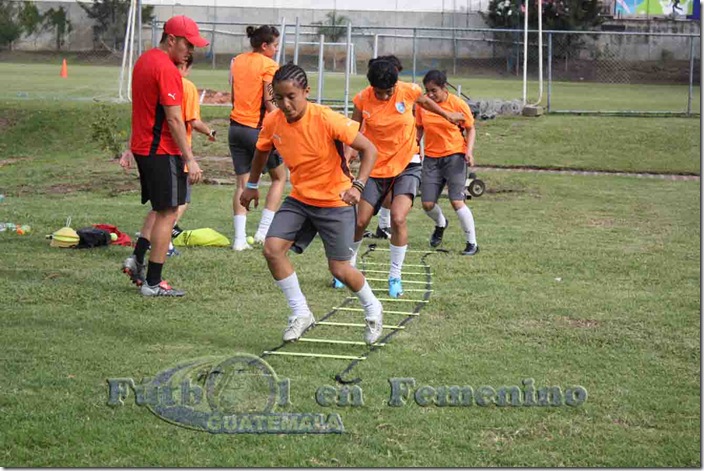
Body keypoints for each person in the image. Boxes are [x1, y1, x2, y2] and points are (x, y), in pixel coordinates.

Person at [240, 63, 384, 345]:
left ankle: (373, 308)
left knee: (340, 269)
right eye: (279, 98)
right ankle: (300, 313)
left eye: (291, 96)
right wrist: (253, 185)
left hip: (336, 200)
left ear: (306, 91)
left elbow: (370, 149)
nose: (285, 104)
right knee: (272, 249)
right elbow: (260, 151)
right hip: (301, 199)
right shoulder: (273, 121)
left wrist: (358, 187)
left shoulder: (327, 118)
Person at [349, 58, 464, 298]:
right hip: (374, 168)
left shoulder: (408, 90)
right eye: (379, 93)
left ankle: (395, 276)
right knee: (360, 221)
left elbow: (425, 102)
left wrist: (447, 115)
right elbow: (353, 129)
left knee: (398, 217)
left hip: (407, 165)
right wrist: (347, 153)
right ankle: (347, 267)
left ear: (395, 84)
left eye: (387, 92)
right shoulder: (362, 99)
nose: (383, 97)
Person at [119, 15, 208, 297]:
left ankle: (136, 259)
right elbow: (174, 119)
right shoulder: (166, 69)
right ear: (171, 39)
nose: (190, 51)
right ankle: (153, 283)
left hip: (145, 149)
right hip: (162, 151)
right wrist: (189, 158)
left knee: (160, 209)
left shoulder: (145, 60)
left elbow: (141, 110)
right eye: (187, 44)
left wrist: (131, 145)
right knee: (169, 212)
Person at [229, 25, 285, 251]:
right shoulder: (269, 66)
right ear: (265, 45)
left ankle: (239, 240)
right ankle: (263, 232)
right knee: (279, 178)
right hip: (257, 130)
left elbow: (233, 93)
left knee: (242, 183)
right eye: (275, 45)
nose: (277, 49)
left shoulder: (237, 61)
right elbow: (270, 101)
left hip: (235, 128)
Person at [416, 70, 478, 255]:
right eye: (427, 91)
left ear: (444, 88)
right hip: (431, 158)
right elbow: (419, 128)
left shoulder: (458, 104)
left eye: (434, 90)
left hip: (454, 156)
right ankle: (441, 223)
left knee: (456, 200)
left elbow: (470, 128)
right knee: (427, 204)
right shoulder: (424, 106)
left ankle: (472, 244)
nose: (430, 95)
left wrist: (469, 151)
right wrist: (415, 146)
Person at [171, 53, 217, 245]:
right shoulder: (187, 87)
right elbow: (194, 121)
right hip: (179, 149)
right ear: (185, 66)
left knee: (166, 198)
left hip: (158, 149)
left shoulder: (160, 83)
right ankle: (162, 236)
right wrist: (210, 131)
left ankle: (161, 231)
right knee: (182, 199)